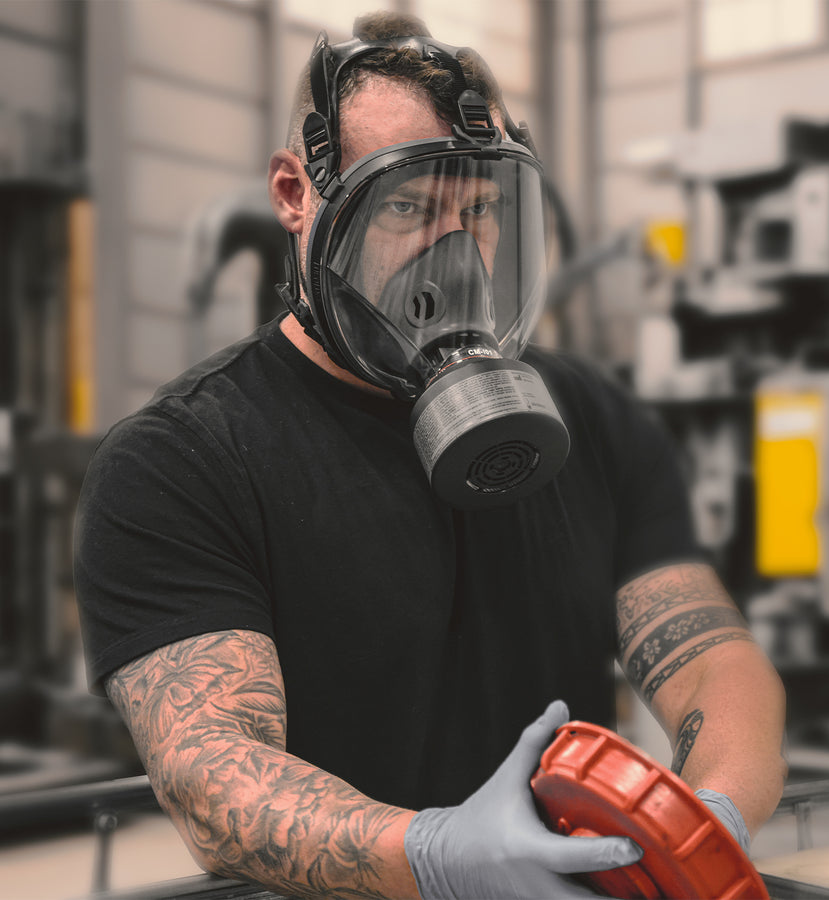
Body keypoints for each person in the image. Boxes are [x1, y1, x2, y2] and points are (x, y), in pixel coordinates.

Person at [74, 10, 786, 899]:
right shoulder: (180, 461)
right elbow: (215, 774)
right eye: (408, 206)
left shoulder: (590, 418)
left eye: (480, 209)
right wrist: (436, 854)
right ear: (297, 195)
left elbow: (711, 656)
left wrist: (708, 809)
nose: (456, 252)